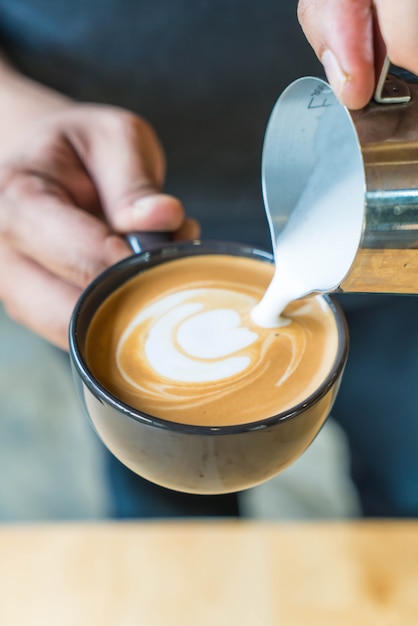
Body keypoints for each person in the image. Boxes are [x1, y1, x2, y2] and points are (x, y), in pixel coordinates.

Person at [0, 0, 417, 517]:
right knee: (165, 512)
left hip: (386, 216)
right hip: (99, 194)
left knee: (410, 488)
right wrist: (10, 119)